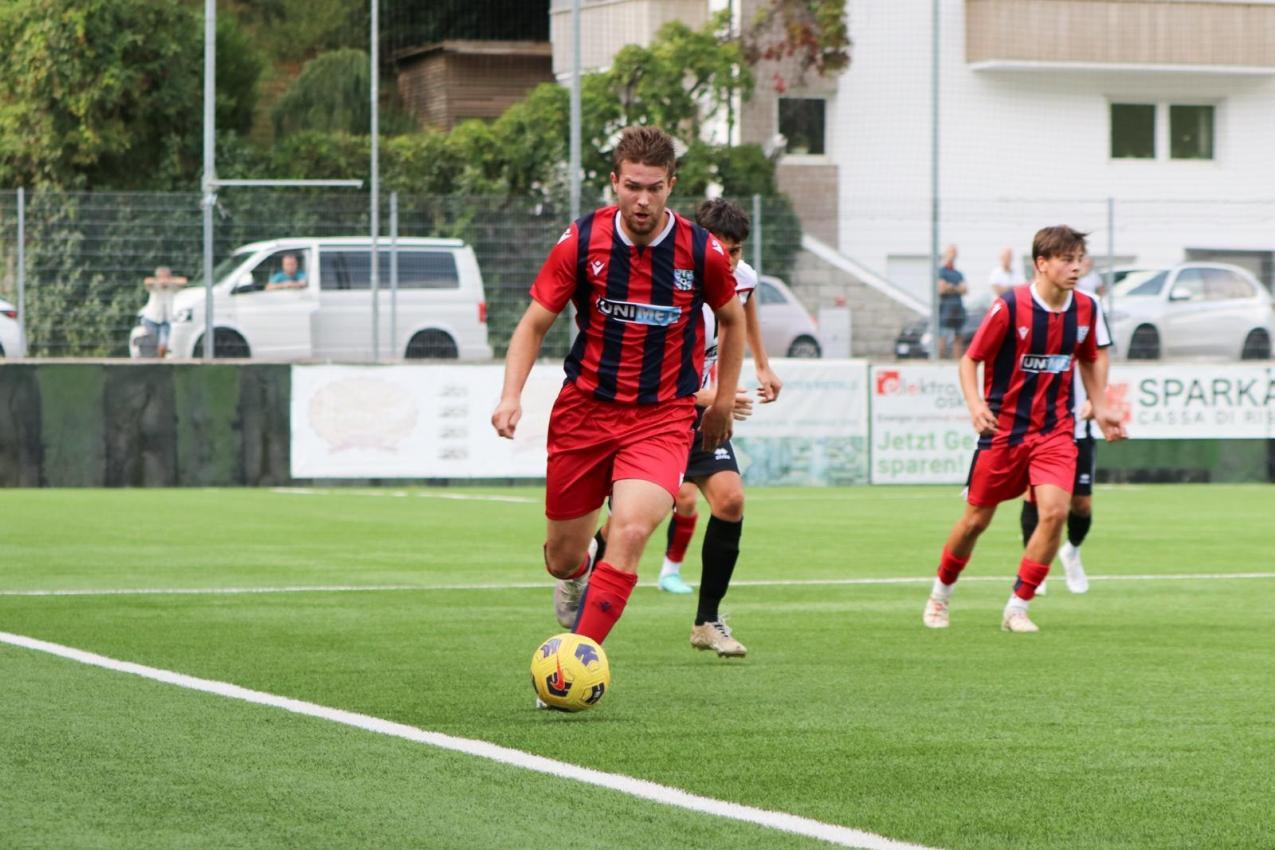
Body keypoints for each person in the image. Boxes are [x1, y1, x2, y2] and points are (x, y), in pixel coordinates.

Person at [491, 125, 745, 653]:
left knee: (629, 533)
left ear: (671, 185)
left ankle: (578, 658)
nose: (643, 199)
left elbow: (733, 319)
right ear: (615, 183)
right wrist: (511, 395)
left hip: (661, 417)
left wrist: (721, 401)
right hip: (585, 411)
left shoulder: (701, 252)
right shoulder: (583, 241)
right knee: (562, 556)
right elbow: (533, 324)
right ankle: (577, 572)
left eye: (654, 187)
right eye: (633, 186)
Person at [921, 225, 1126, 633]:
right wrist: (976, 404)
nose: (1076, 268)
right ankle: (940, 593)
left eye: (1078, 259)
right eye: (1066, 260)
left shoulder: (1086, 308)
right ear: (1042, 264)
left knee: (1054, 512)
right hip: (1004, 431)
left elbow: (1088, 358)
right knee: (976, 521)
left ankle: (1018, 605)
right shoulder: (1010, 307)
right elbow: (969, 360)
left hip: (1055, 431)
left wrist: (1101, 407)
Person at [1019, 373, 1099, 595]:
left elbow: (1095, 362)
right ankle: (1032, 568)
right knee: (1035, 496)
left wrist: (1096, 399)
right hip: (1038, 431)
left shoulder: (1083, 339)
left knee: (1081, 505)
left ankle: (1072, 551)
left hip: (1078, 431)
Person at [140, 266, 187, 358]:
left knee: (163, 345)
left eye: (166, 276)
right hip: (151, 320)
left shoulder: (172, 287)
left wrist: (168, 282)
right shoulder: (154, 286)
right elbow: (147, 281)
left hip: (165, 320)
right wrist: (159, 282)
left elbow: (183, 281)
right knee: (152, 346)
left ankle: (161, 360)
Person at [937, 244, 968, 359]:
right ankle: (939, 360)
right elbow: (941, 289)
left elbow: (965, 289)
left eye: (954, 252)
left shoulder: (958, 273)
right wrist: (957, 288)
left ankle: (957, 361)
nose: (952, 254)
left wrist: (951, 287)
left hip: (958, 309)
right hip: (945, 308)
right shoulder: (941, 272)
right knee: (942, 336)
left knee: (958, 336)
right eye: (950, 252)